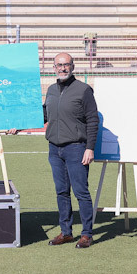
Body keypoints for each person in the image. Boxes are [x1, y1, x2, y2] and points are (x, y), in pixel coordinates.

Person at [43, 53, 98, 248]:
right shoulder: (50, 90)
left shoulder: (83, 90)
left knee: (81, 192)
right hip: (54, 149)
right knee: (61, 192)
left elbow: (93, 120)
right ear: (54, 67)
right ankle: (66, 232)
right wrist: (20, 125)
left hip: (76, 148)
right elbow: (44, 115)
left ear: (73, 66)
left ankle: (87, 234)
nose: (63, 68)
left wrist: (89, 148)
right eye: (59, 65)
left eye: (66, 65)